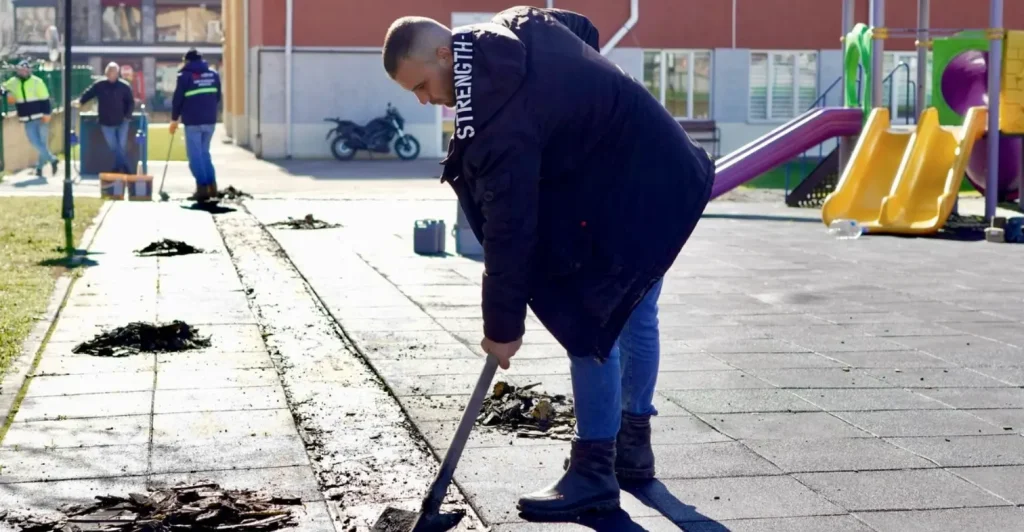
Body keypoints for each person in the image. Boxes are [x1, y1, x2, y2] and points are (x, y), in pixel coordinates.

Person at [382, 6, 714, 520]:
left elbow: (509, 233)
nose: (425, 100)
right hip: (662, 166)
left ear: (445, 53)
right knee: (637, 313)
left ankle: (594, 472)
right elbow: (582, 29)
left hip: (636, 187)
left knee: (591, 314)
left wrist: (502, 327)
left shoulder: (496, 118)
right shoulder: (515, 24)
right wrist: (582, 113)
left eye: (422, 84)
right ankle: (631, 449)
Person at [170, 48, 221, 202]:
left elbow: (177, 99)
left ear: (187, 61)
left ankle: (202, 188)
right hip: (210, 120)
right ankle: (212, 187)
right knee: (205, 153)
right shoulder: (213, 74)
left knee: (195, 156)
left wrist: (174, 119)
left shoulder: (184, 76)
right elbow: (218, 96)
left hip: (193, 121)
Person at [74, 62, 135, 174]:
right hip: (106, 122)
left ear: (118, 74)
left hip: (122, 121)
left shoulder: (124, 86)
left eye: (114, 72)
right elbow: (89, 93)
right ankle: (123, 167)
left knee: (121, 145)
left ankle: (119, 168)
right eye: (110, 72)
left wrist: (127, 116)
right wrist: (80, 101)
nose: (112, 75)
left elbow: (131, 102)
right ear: (106, 73)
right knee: (113, 146)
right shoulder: (99, 85)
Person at [2, 60, 58, 178]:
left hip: (41, 116)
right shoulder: (13, 82)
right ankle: (52, 160)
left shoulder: (37, 82)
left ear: (29, 70)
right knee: (35, 142)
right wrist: (6, 93)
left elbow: (45, 99)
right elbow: (2, 87)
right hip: (27, 118)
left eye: (25, 69)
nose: (23, 72)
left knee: (42, 144)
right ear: (17, 70)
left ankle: (39, 168)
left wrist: (47, 114)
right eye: (21, 70)